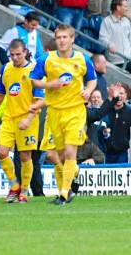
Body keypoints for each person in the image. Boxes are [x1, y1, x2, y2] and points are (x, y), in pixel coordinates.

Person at [30, 24, 97, 205]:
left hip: (75, 111)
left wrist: (88, 91)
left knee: (69, 152)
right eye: (59, 37)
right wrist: (49, 85)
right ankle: (72, 173)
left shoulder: (83, 59)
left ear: (72, 39)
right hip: (54, 112)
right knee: (54, 156)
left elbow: (92, 79)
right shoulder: (47, 59)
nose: (61, 41)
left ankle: (64, 193)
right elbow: (34, 80)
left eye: (65, 37)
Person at [0, 39, 45, 203]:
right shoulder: (6, 68)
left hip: (28, 119)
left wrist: (29, 119)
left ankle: (24, 191)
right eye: (12, 55)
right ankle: (14, 186)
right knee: (2, 152)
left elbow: (39, 100)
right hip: (9, 118)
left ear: (25, 52)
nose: (15, 58)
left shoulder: (34, 70)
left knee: (26, 156)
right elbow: (0, 94)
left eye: (18, 54)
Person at [99, 0, 131, 69]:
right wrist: (110, 45)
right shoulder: (107, 21)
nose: (127, 9)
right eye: (125, 6)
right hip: (116, 60)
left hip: (128, 59)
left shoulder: (126, 21)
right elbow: (102, 38)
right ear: (118, 7)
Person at [102, 82, 131, 163]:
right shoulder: (105, 109)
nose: (119, 96)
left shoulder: (129, 112)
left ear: (126, 95)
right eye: (117, 93)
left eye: (121, 93)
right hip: (105, 153)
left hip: (122, 154)